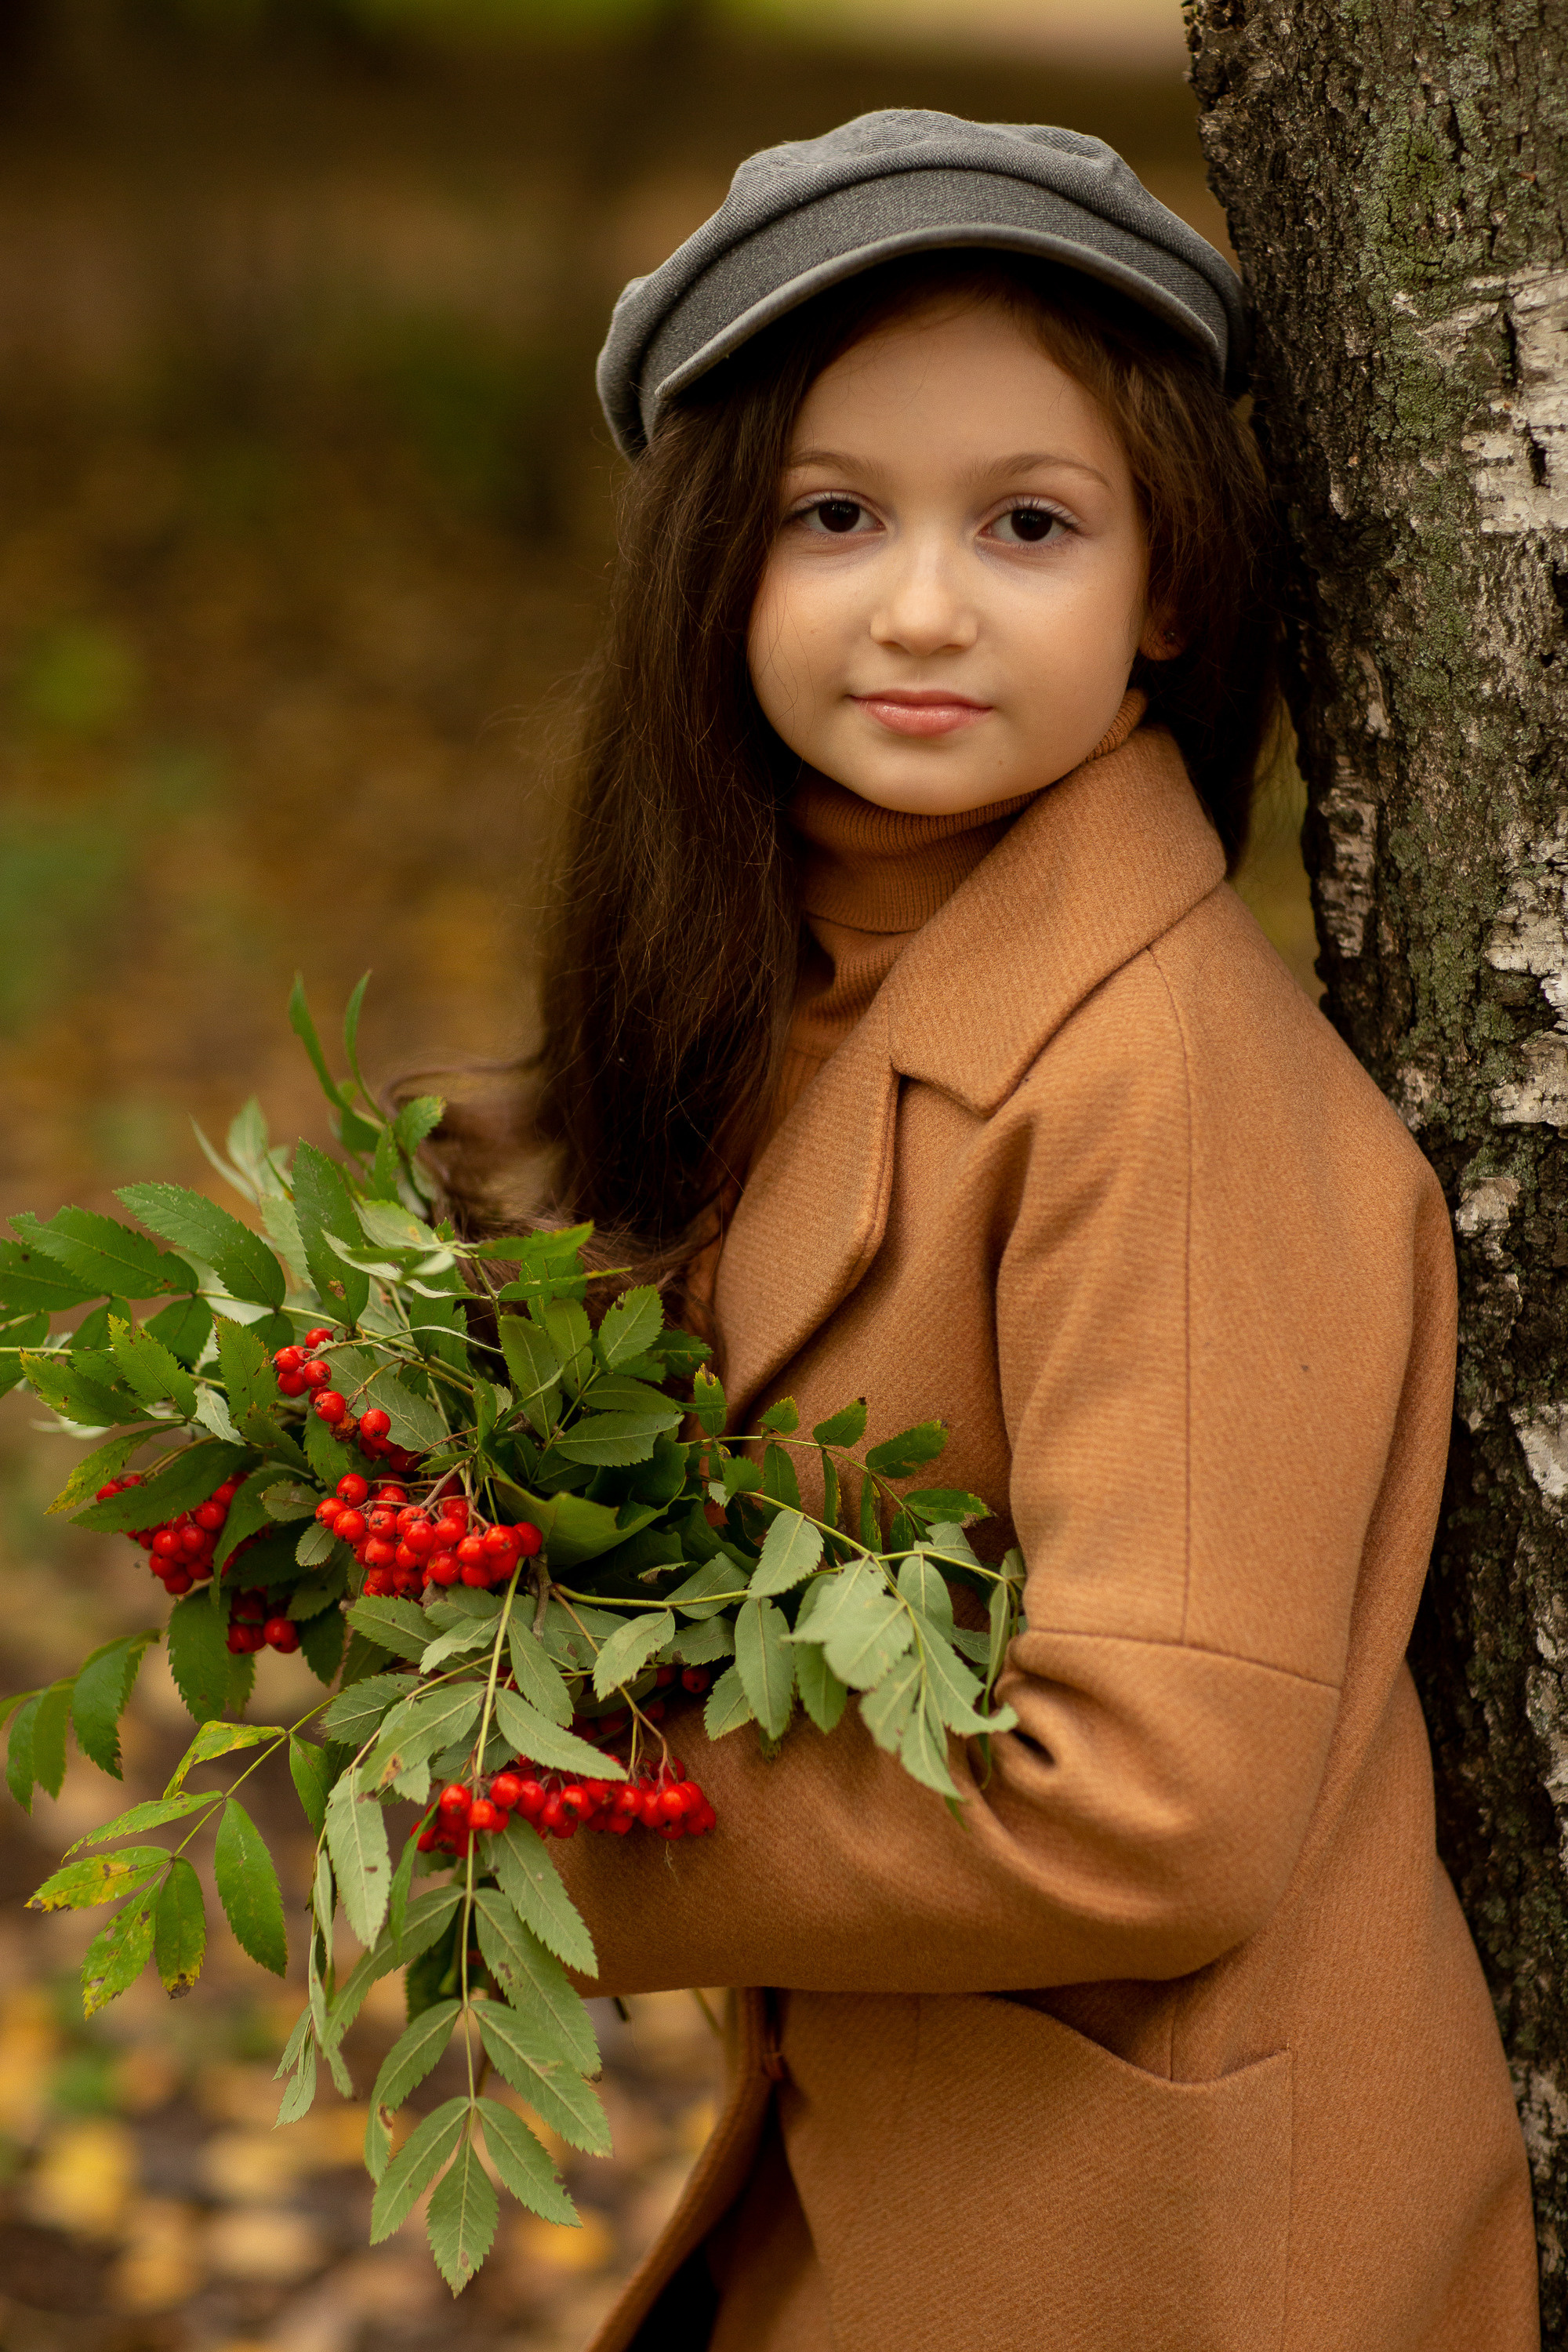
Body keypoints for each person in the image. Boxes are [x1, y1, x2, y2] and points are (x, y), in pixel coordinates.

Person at [442, 113, 1540, 2351]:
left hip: (1176, 2261)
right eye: (833, 515)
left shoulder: (1167, 1084)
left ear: (1169, 594)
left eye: (1027, 523)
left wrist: (559, 1816)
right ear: (713, 571)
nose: (921, 604)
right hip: (920, 2185)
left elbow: (1161, 1803)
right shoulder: (790, 993)